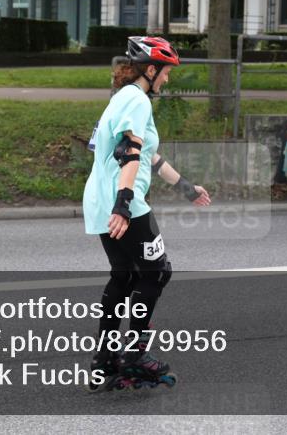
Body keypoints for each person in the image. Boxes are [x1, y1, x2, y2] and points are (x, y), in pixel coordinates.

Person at [82, 36, 211, 390]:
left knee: (124, 278)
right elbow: (129, 154)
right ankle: (136, 354)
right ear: (150, 70)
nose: (167, 80)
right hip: (124, 203)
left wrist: (185, 187)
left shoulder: (122, 98)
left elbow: (148, 156)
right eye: (166, 72)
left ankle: (104, 360)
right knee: (156, 273)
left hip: (99, 201)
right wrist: (123, 205)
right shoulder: (137, 101)